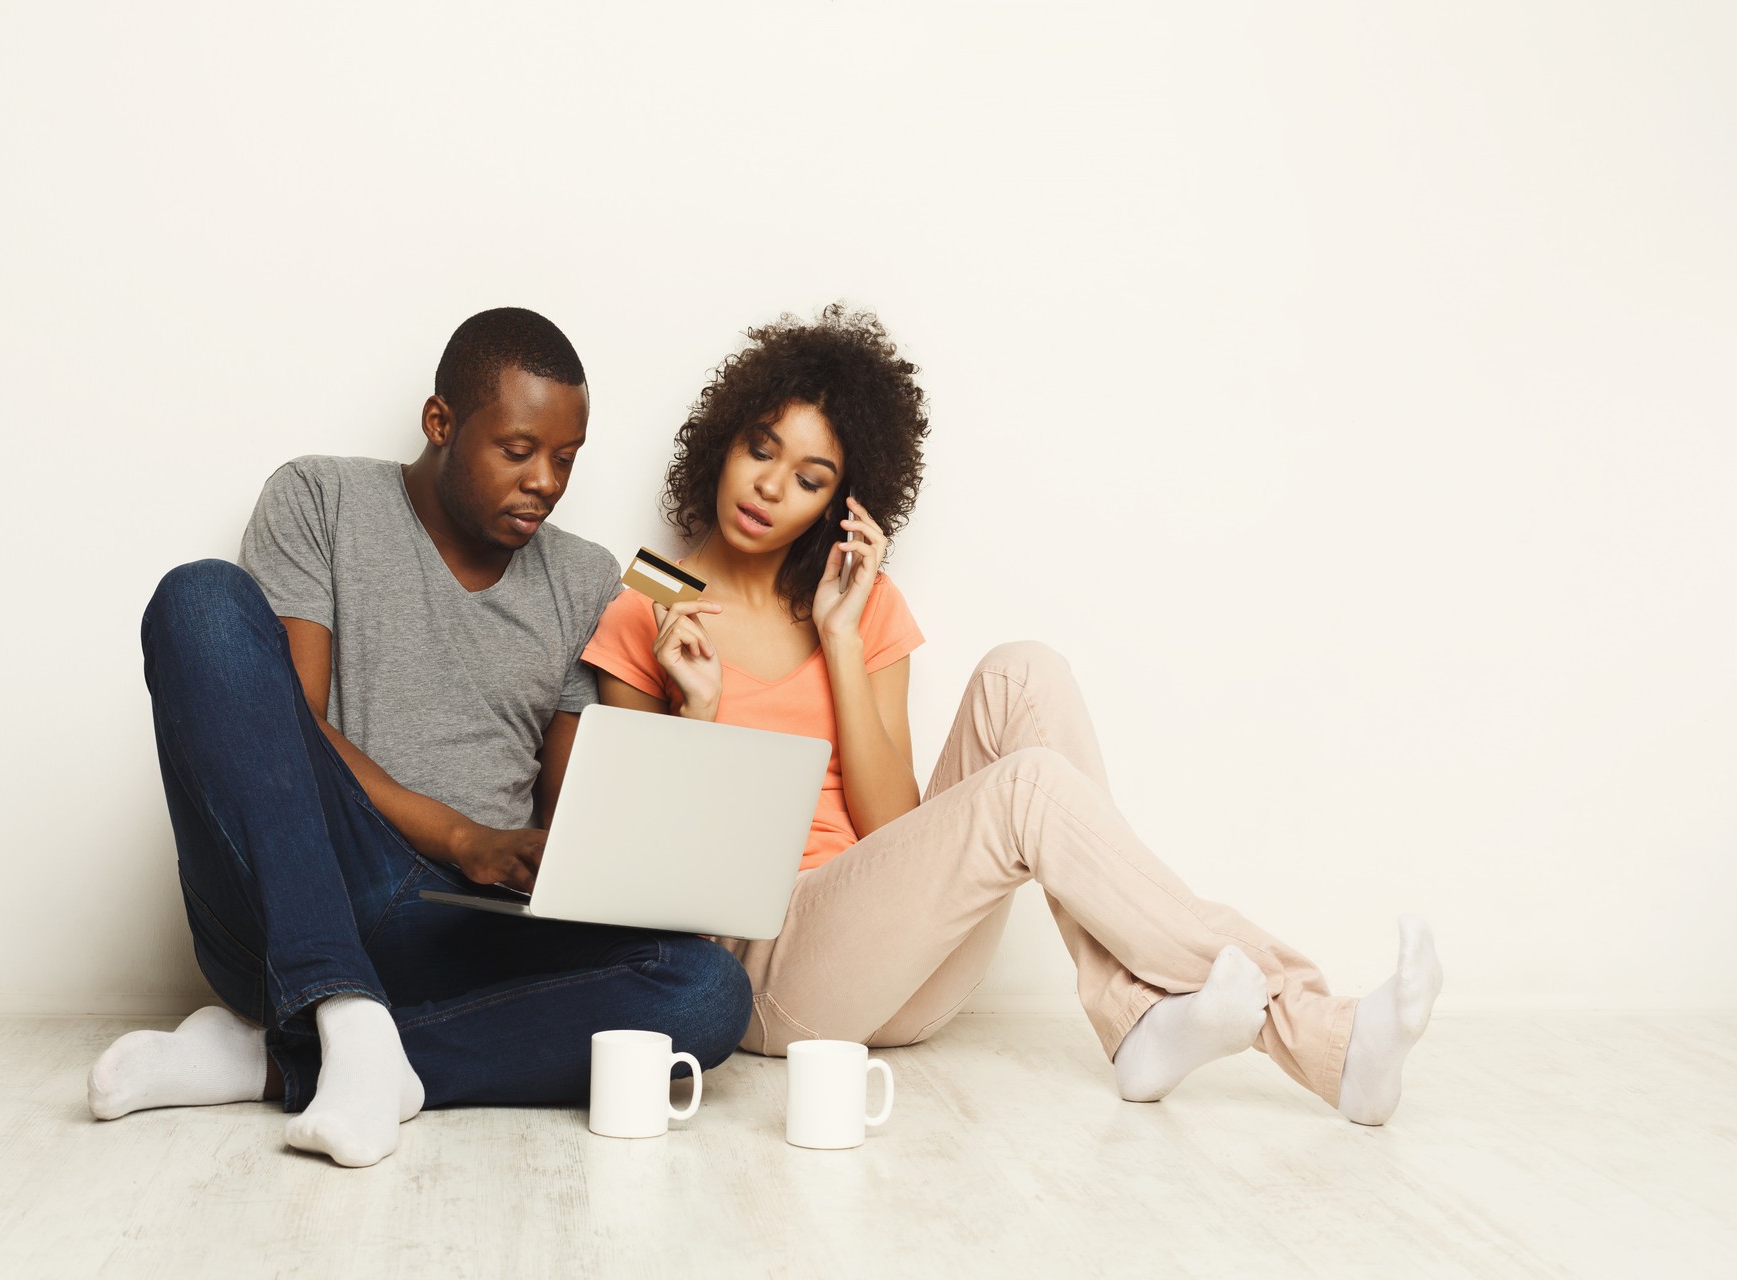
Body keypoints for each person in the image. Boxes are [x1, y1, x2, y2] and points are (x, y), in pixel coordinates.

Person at [582, 305, 1443, 1124]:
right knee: (1027, 789)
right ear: (723, 440)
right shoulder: (654, 604)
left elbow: (892, 826)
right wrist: (696, 709)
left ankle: (1136, 1013)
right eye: (759, 451)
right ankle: (1319, 1033)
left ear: (841, 502)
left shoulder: (859, 602)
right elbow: (650, 883)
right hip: (767, 976)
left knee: (1023, 673)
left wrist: (842, 642)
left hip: (899, 957)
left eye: (809, 479)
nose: (770, 488)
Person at [88, 308, 752, 1167]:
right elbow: (291, 737)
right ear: (441, 423)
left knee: (706, 995)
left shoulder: (587, 577)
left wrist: (683, 712)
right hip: (301, 890)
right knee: (201, 600)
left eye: (565, 459)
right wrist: (461, 837)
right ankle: (340, 1004)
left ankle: (285, 1058)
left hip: (461, 935)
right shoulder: (318, 499)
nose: (545, 482)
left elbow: (570, 814)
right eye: (519, 450)